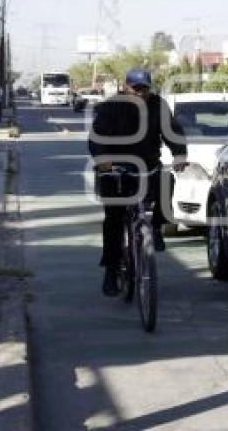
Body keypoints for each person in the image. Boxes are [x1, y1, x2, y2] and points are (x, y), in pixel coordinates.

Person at [88, 68, 187, 296]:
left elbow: (172, 131)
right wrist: (103, 161)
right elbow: (96, 138)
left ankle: (157, 227)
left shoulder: (158, 105)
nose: (140, 93)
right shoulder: (110, 107)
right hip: (115, 170)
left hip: (147, 166)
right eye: (135, 88)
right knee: (113, 220)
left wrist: (179, 154)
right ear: (125, 87)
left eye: (144, 88)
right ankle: (111, 271)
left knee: (166, 180)